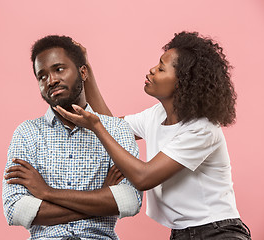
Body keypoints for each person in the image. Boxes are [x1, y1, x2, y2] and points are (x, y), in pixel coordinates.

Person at [54, 31, 251, 239]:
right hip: (182, 234)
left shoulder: (202, 129)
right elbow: (114, 129)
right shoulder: (156, 115)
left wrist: (96, 126)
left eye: (161, 68)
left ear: (182, 82)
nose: (152, 70)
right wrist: (86, 69)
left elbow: (143, 177)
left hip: (218, 232)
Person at [2, 35, 142, 240]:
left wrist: (46, 193)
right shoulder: (27, 133)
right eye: (42, 76)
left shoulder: (117, 130)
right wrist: (102, 199)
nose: (51, 80)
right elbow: (16, 209)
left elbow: (130, 201)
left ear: (83, 72)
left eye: (59, 69)